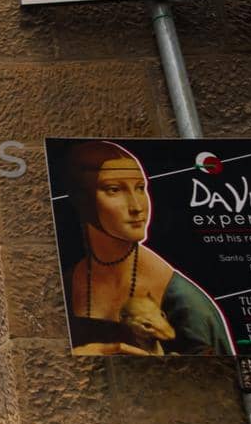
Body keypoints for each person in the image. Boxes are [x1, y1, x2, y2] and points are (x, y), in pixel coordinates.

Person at [61, 140, 233, 355]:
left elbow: (222, 377)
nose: (136, 206)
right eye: (114, 189)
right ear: (82, 199)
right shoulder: (66, 286)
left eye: (140, 188)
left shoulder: (184, 303)